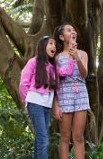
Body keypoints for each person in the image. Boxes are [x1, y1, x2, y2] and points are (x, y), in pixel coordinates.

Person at [53, 24, 89, 159]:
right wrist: (55, 105)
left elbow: (84, 75)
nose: (73, 32)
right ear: (62, 37)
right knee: (65, 137)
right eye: (69, 30)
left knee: (78, 137)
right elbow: (54, 83)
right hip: (64, 96)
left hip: (81, 95)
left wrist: (76, 58)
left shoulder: (83, 54)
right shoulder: (56, 57)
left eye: (74, 30)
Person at [19, 36, 58, 159]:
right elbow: (23, 83)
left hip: (46, 105)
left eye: (55, 45)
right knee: (43, 139)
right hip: (35, 103)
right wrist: (28, 99)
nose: (54, 47)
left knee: (40, 138)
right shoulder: (33, 62)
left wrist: (74, 58)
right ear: (42, 46)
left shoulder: (53, 67)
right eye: (51, 44)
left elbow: (65, 73)